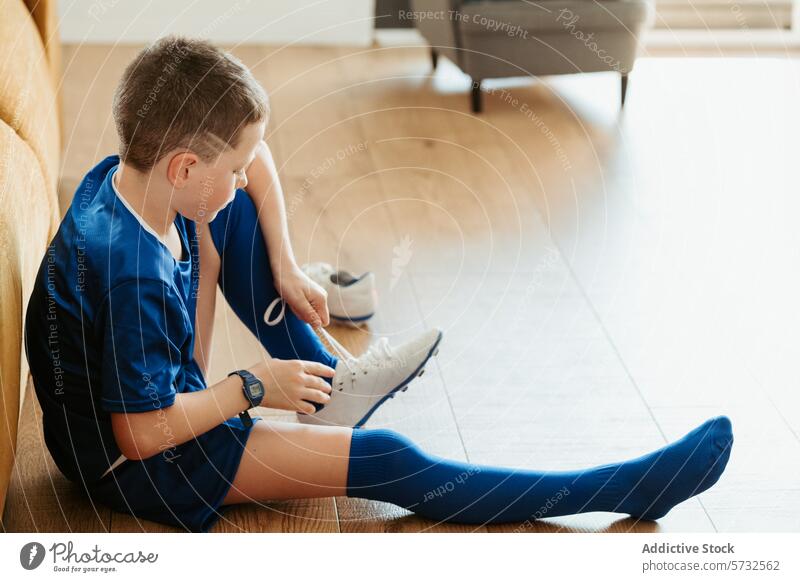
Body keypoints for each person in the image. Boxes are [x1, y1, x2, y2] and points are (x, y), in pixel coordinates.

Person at [24, 36, 733, 533]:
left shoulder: (130, 179)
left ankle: (332, 388)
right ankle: (620, 489)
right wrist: (251, 387)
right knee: (391, 461)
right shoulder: (131, 275)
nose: (245, 174)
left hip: (145, 384)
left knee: (233, 215)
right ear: (182, 166)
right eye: (231, 165)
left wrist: (285, 262)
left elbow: (254, 152)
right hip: (137, 464)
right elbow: (141, 434)